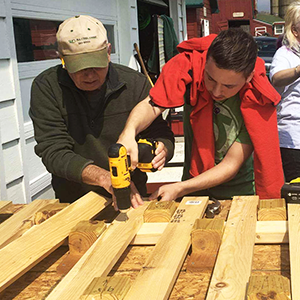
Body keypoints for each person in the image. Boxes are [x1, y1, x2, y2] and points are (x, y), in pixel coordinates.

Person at [118, 28, 284, 202]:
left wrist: (180, 187)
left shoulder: (258, 100)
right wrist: (128, 132)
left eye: (229, 86)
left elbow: (231, 164)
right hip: (192, 187)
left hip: (238, 192)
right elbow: (152, 104)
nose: (217, 91)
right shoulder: (190, 67)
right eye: (211, 79)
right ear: (205, 63)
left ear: (249, 77)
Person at [29, 15, 174, 206]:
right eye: (79, 67)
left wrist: (163, 149)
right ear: (62, 59)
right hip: (74, 200)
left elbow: (161, 132)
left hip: (132, 197)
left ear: (108, 52)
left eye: (96, 64)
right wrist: (105, 178)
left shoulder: (134, 83)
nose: (89, 74)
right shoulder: (47, 87)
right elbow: (53, 151)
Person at [270, 1, 300, 182]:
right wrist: (298, 70)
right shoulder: (285, 54)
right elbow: (276, 78)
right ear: (295, 31)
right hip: (294, 140)